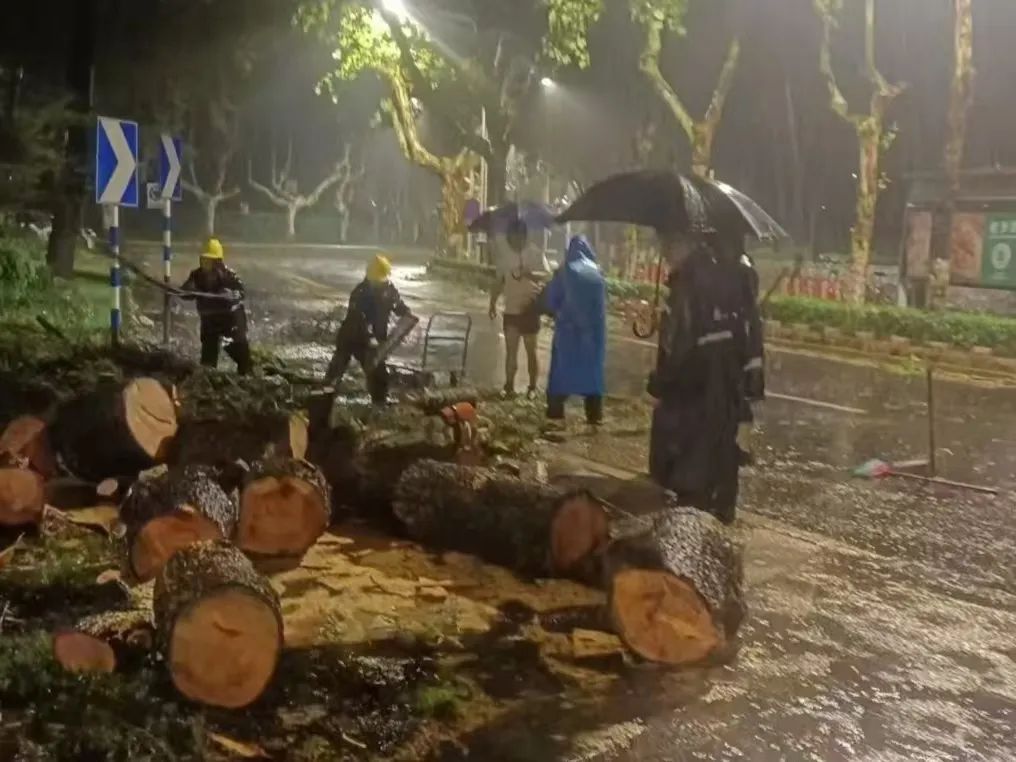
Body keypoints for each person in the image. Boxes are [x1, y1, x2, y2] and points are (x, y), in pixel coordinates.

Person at [647, 233, 759, 524]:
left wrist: (661, 381)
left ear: (684, 245)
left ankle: (694, 512)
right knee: (722, 443)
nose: (666, 252)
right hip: (727, 377)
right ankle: (722, 507)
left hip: (696, 379)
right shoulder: (722, 275)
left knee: (693, 448)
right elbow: (747, 333)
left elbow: (679, 344)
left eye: (669, 245)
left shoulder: (687, 282)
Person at [325, 254, 414, 405]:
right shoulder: (360, 293)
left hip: (374, 340)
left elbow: (398, 306)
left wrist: (406, 313)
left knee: (378, 374)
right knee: (336, 371)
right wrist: (369, 337)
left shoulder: (389, 290)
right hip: (352, 337)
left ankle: (379, 404)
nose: (379, 283)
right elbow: (358, 318)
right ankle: (323, 399)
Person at [544, 236, 607, 425]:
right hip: (594, 337)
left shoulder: (564, 272)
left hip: (568, 334)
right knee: (593, 376)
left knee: (561, 374)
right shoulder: (598, 273)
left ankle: (555, 414)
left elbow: (551, 302)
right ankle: (594, 416)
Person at [489, 218, 547, 399]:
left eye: (519, 236)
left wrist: (530, 274)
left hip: (530, 310)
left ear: (524, 236)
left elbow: (546, 276)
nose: (516, 240)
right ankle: (509, 386)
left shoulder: (535, 254)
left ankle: (532, 387)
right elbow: (499, 282)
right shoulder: (505, 257)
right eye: (513, 236)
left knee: (531, 351)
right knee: (511, 351)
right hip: (511, 310)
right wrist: (492, 303)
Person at [181, 238, 252, 375]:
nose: (205, 264)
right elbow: (184, 293)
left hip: (231, 322)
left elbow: (241, 293)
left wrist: (230, 295)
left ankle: (248, 378)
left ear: (217, 262)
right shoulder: (196, 276)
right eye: (203, 260)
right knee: (208, 361)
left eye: (208, 261)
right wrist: (188, 290)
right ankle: (209, 380)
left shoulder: (229, 276)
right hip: (209, 322)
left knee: (243, 359)